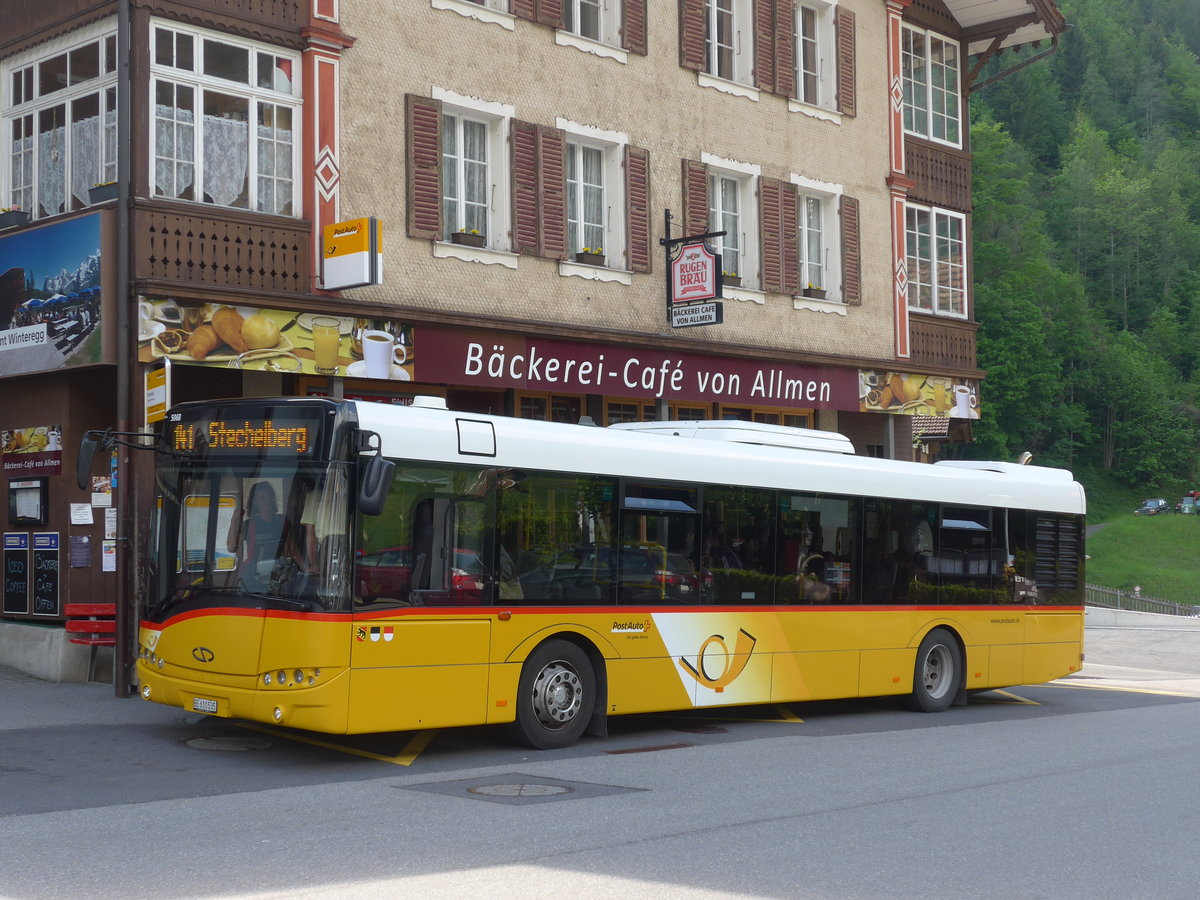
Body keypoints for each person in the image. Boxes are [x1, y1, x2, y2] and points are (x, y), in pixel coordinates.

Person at [227, 482, 285, 587]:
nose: (267, 501)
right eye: (262, 498)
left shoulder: (282, 521)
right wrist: (234, 520)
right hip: (253, 577)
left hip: (279, 575)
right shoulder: (249, 524)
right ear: (255, 502)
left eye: (269, 497)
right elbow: (231, 547)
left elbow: (292, 549)